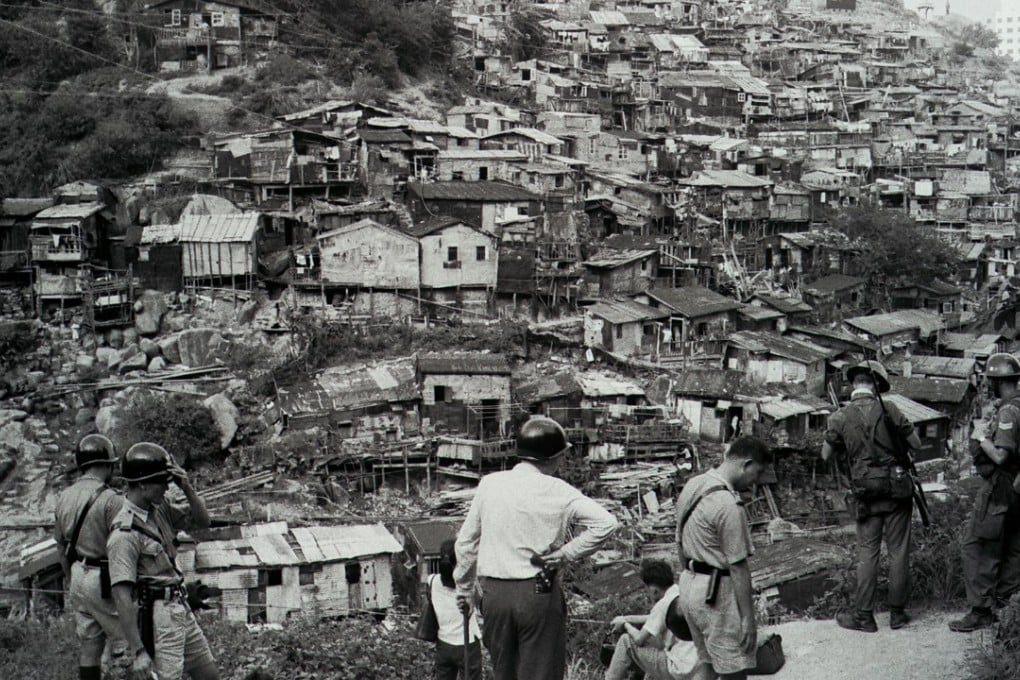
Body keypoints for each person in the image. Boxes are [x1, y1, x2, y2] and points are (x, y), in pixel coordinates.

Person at [454, 416, 619, 680]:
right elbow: (607, 523)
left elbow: (465, 543)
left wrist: (463, 589)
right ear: (552, 457)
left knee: (503, 672)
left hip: (494, 594)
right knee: (540, 673)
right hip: (538, 591)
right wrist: (565, 554)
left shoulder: (490, 484)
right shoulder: (559, 491)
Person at [821, 360, 921, 633]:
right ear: (877, 384)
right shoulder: (889, 408)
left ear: (853, 384)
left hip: (865, 491)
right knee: (899, 552)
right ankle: (897, 615)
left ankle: (864, 616)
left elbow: (825, 455)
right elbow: (916, 444)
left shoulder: (839, 417)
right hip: (897, 488)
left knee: (868, 552)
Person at [106, 442, 217, 680]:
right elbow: (122, 596)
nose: (167, 488)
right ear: (142, 484)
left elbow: (203, 521)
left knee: (208, 673)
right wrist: (139, 652)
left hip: (180, 606)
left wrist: (187, 487)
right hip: (158, 615)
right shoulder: (124, 535)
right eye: (161, 482)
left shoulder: (160, 508)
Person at [674, 436, 770, 680]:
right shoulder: (728, 505)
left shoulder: (693, 484)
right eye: (757, 473)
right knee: (733, 670)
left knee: (707, 664)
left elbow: (679, 542)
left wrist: (690, 579)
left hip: (688, 585)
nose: (755, 482)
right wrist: (748, 619)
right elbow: (738, 567)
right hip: (716, 593)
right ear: (746, 464)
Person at [950, 353, 1020, 632]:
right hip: (1018, 489)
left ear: (998, 382)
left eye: (990, 381)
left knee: (977, 546)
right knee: (1014, 547)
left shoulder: (1007, 412)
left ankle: (980, 611)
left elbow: (1001, 456)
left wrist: (981, 438)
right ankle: (1006, 606)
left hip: (1001, 487)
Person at [53, 434, 125, 680]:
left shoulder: (64, 496)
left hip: (77, 574)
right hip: (104, 579)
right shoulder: (111, 499)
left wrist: (71, 577)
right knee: (131, 644)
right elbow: (125, 548)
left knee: (89, 647)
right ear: (107, 464)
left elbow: (60, 547)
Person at [605, 560, 697, 680]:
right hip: (695, 663)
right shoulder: (679, 593)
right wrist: (626, 618)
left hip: (678, 668)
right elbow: (654, 619)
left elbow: (638, 640)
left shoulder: (662, 604)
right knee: (655, 642)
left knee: (626, 641)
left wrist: (626, 625)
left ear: (654, 589)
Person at [431, 539, 482, 680]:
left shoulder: (432, 582)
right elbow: (481, 602)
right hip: (467, 644)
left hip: (444, 644)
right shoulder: (469, 588)